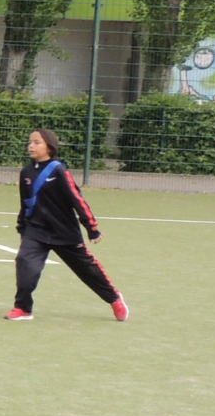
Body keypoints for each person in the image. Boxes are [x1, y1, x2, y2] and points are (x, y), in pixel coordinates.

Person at [8, 127, 128, 322]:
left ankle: (114, 298)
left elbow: (76, 199)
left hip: (64, 232)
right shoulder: (26, 172)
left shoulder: (59, 170)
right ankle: (23, 308)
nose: (31, 146)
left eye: (37, 142)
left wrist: (92, 227)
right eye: (30, 142)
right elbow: (25, 201)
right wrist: (22, 225)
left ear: (49, 147)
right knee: (24, 263)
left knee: (87, 270)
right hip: (36, 231)